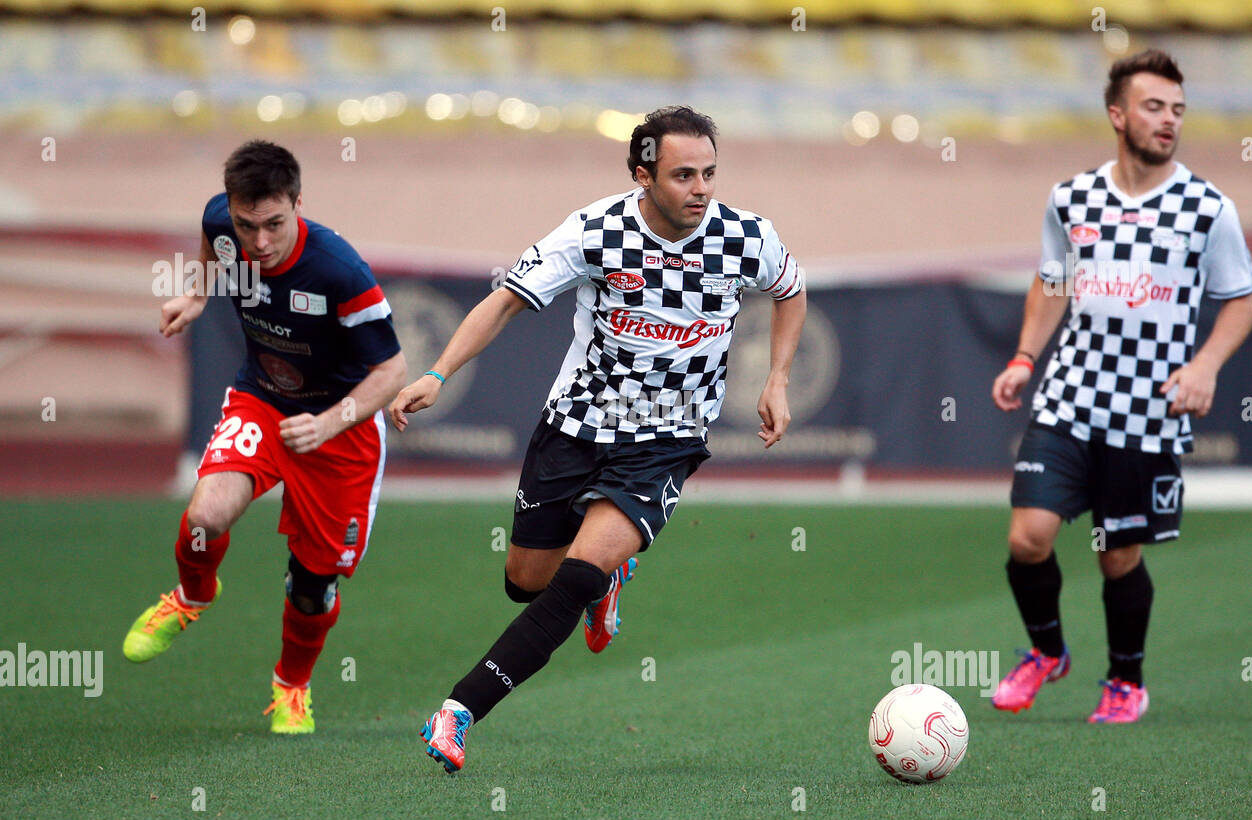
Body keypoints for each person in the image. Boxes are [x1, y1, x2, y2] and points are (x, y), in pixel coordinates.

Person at [389, 106, 807, 772]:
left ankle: (459, 710)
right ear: (644, 175)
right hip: (576, 425)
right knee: (525, 581)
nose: (700, 189)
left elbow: (791, 289)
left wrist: (777, 378)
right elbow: (504, 299)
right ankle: (607, 581)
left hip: (667, 439)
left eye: (708, 173)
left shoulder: (746, 237)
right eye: (682, 175)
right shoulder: (594, 232)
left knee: (576, 577)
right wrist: (439, 371)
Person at [990, 50, 1252, 723]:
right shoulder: (1071, 197)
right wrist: (1025, 356)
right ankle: (1047, 651)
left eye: (1177, 110)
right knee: (1028, 538)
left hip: (1145, 414)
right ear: (1117, 113)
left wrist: (1204, 368)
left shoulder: (1207, 208)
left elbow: (1241, 301)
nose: (1168, 121)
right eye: (1153, 107)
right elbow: (1052, 281)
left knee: (1117, 555)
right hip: (1067, 398)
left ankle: (1126, 680)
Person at [123, 140, 406, 734]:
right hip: (263, 402)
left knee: (312, 585)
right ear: (231, 208)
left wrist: (329, 423)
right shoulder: (220, 222)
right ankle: (192, 597)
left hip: (340, 431)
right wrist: (197, 293)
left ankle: (291, 686)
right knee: (205, 518)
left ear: (298, 204)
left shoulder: (340, 271)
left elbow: (392, 371)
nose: (261, 242)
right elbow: (211, 242)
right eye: (248, 226)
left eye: (275, 224)